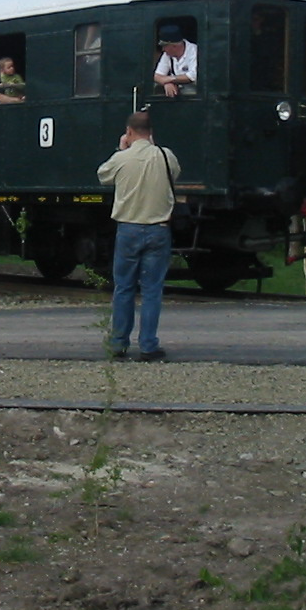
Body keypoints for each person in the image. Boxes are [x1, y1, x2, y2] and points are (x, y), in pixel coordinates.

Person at [96, 112, 180, 360]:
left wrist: (121, 148)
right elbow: (174, 174)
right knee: (152, 290)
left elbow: (103, 176)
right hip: (159, 229)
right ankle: (148, 345)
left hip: (129, 229)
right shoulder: (166, 156)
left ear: (129, 132)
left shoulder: (121, 158)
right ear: (151, 132)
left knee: (124, 287)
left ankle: (119, 343)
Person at [153, 24, 198, 97]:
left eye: (165, 46)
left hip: (194, 89)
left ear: (174, 46)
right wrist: (167, 83)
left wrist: (169, 79)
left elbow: (192, 76)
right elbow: (157, 75)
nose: (163, 49)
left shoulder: (194, 51)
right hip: (175, 88)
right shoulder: (167, 54)